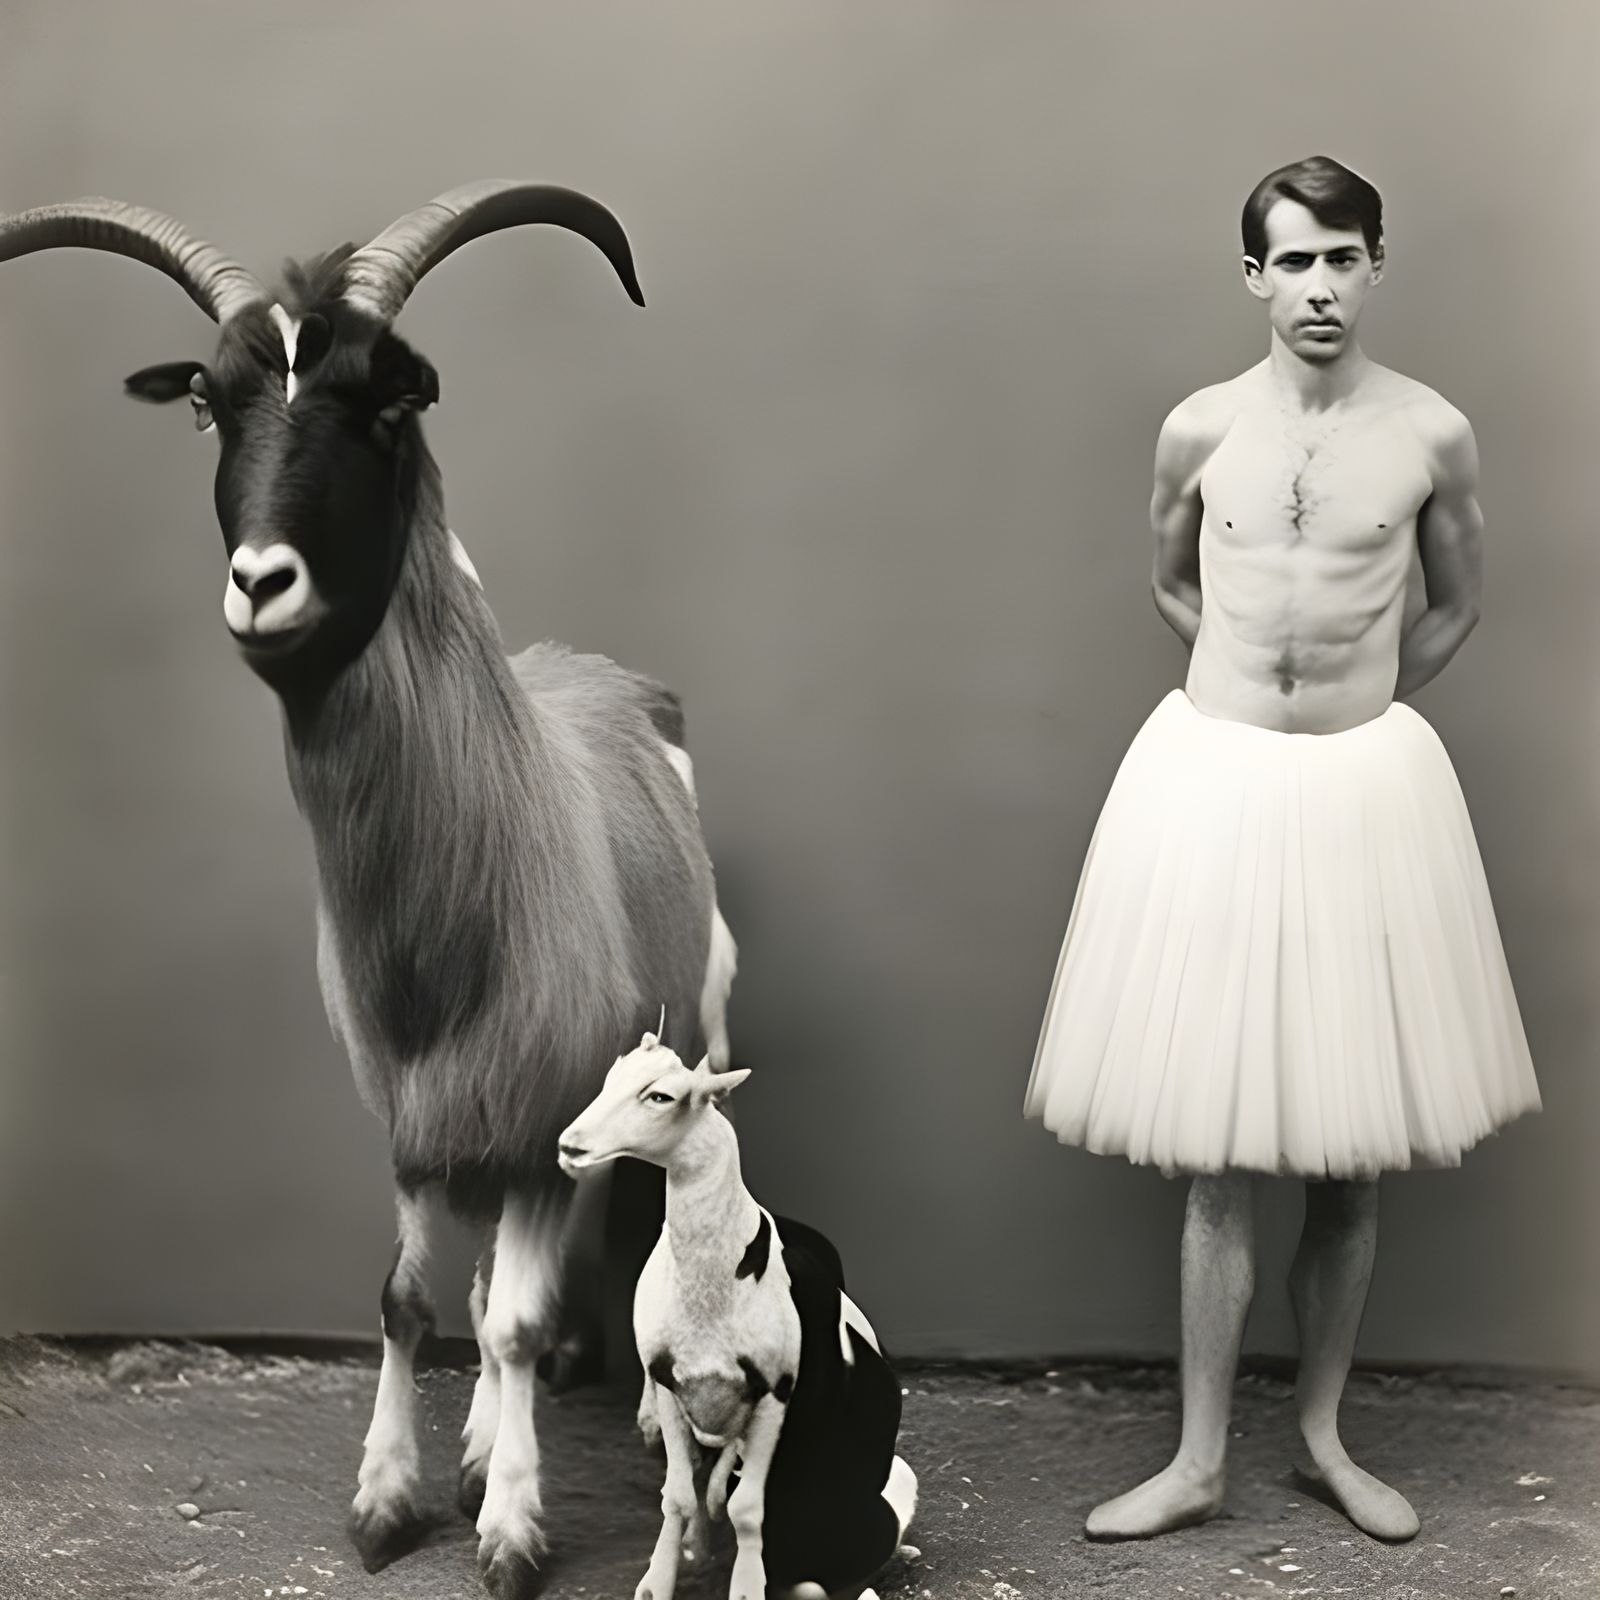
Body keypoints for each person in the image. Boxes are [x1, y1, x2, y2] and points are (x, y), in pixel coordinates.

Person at [1023, 155, 1540, 1544]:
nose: (1319, 286)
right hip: (1215, 786)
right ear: (1254, 275)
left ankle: (1318, 1434)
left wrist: (1355, 706)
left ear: (1378, 266)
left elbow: (1456, 604)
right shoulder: (1198, 431)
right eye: (1293, 260)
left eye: (1342, 258)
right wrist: (1248, 693)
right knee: (1216, 1147)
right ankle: (1197, 1459)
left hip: (1365, 796)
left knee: (1349, 1153)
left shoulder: (1432, 434)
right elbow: (1171, 579)